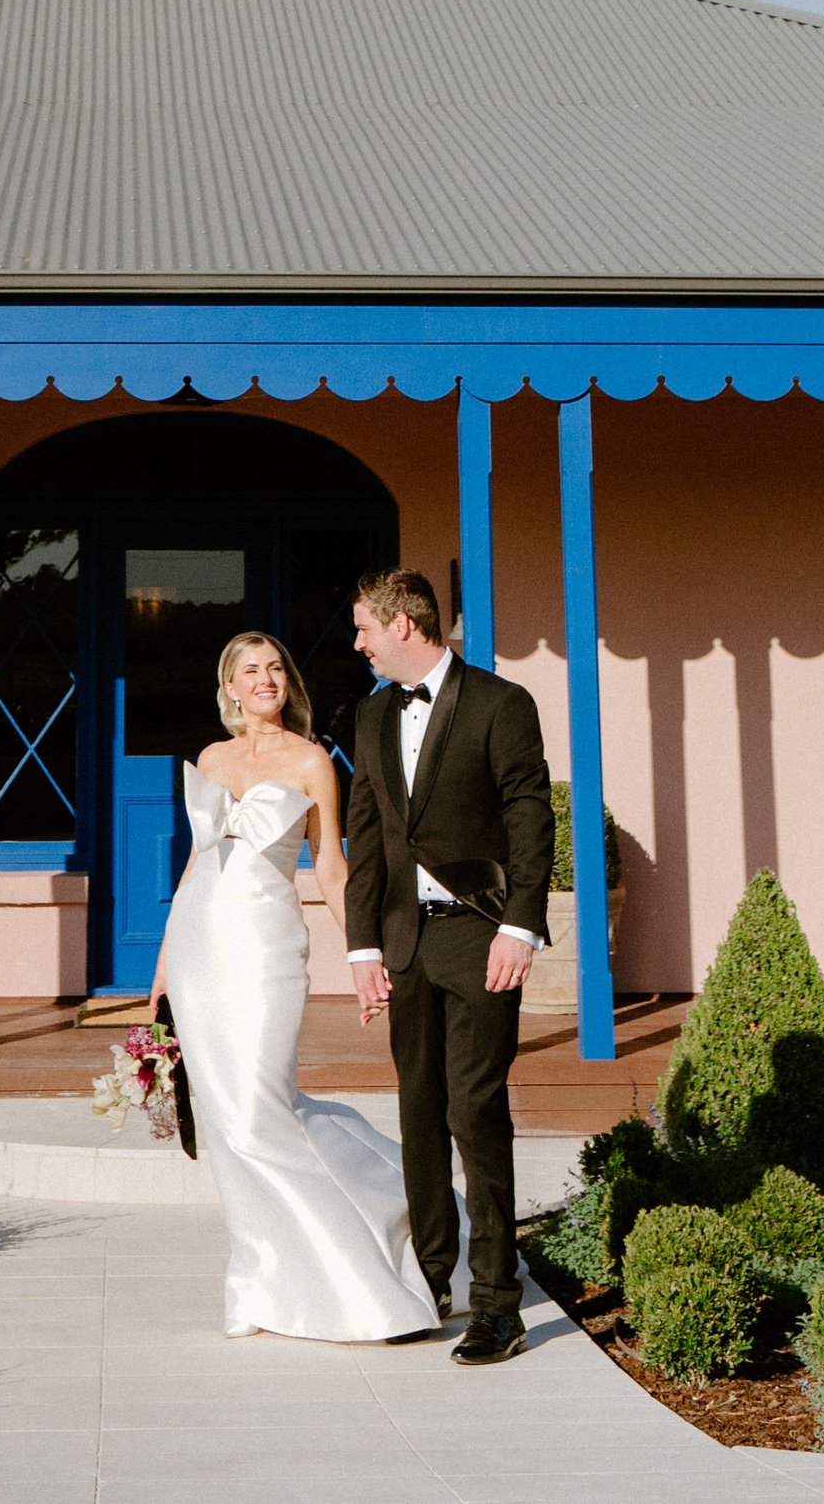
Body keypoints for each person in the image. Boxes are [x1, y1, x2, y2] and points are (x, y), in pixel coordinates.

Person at [156, 626, 440, 1342]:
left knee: (261, 1106)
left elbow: (331, 869)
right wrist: (162, 965)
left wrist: (363, 954)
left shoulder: (313, 761)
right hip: (199, 943)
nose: (265, 679)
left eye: (275, 668)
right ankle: (258, 1276)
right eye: (249, 669)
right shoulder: (212, 758)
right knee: (225, 1119)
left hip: (266, 946)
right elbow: (195, 864)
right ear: (228, 687)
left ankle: (379, 1246)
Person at [346, 567, 555, 1368]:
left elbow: (529, 820)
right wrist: (364, 948)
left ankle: (499, 1303)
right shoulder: (368, 716)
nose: (357, 642)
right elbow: (366, 838)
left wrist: (521, 927)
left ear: (404, 625)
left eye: (365, 626)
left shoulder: (502, 705)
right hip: (403, 945)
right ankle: (433, 1281)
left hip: (480, 936)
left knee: (475, 1111)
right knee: (418, 1114)